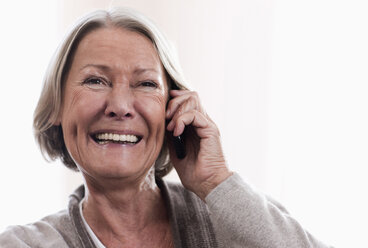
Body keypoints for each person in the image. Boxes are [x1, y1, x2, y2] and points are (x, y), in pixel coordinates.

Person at [0, 8, 332, 248]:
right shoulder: (22, 244)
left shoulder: (233, 218)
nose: (119, 106)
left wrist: (216, 181)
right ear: (57, 106)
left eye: (145, 83)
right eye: (95, 80)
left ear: (173, 107)